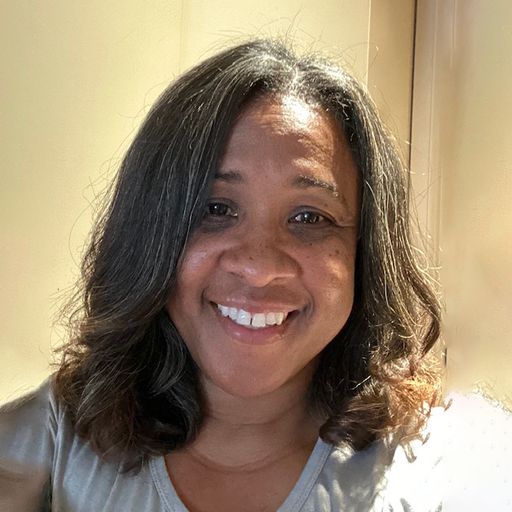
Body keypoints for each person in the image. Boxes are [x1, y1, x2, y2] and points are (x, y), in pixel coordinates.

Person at [0, 39, 444, 511]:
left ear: (366, 251)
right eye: (215, 209)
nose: (258, 267)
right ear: (149, 232)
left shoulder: (438, 470)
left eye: (309, 217)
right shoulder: (47, 442)